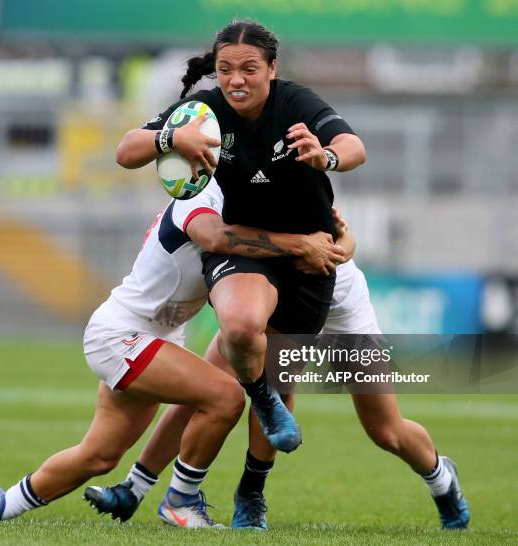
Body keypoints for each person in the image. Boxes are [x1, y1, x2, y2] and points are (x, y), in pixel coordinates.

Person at [0, 178, 347, 529]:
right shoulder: (200, 196)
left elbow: (326, 231)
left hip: (155, 337)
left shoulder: (247, 200)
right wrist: (299, 243)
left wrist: (333, 237)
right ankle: (180, 502)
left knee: (98, 455)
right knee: (224, 396)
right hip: (123, 335)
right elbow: (217, 238)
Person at [85, 186, 470, 531]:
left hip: (336, 303)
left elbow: (343, 240)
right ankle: (136, 489)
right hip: (264, 295)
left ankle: (441, 479)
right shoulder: (229, 197)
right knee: (206, 390)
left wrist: (339, 246)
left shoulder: (291, 185)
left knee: (385, 429)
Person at [115, 19, 367, 455]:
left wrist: (324, 156)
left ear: (272, 68)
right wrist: (170, 137)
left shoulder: (296, 103)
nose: (236, 79)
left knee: (382, 427)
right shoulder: (204, 113)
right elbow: (126, 151)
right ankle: (177, 481)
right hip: (248, 248)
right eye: (225, 68)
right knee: (240, 327)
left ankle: (251, 489)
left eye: (249, 68)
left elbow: (353, 147)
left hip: (311, 259)